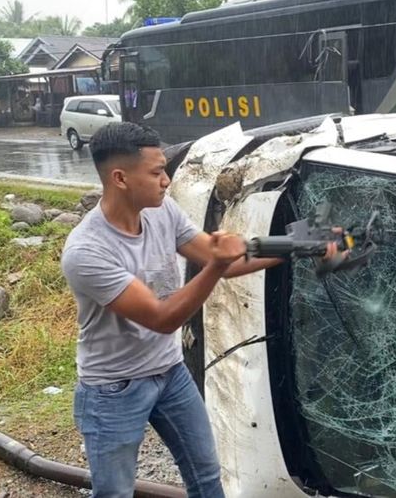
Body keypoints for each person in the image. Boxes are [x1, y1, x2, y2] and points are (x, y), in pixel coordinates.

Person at [61, 122, 338, 497]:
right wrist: (217, 266)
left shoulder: (163, 212)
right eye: (157, 172)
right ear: (120, 178)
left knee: (207, 479)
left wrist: (299, 243)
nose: (166, 181)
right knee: (114, 492)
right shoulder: (87, 252)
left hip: (170, 372)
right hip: (114, 388)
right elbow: (163, 317)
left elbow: (220, 254)